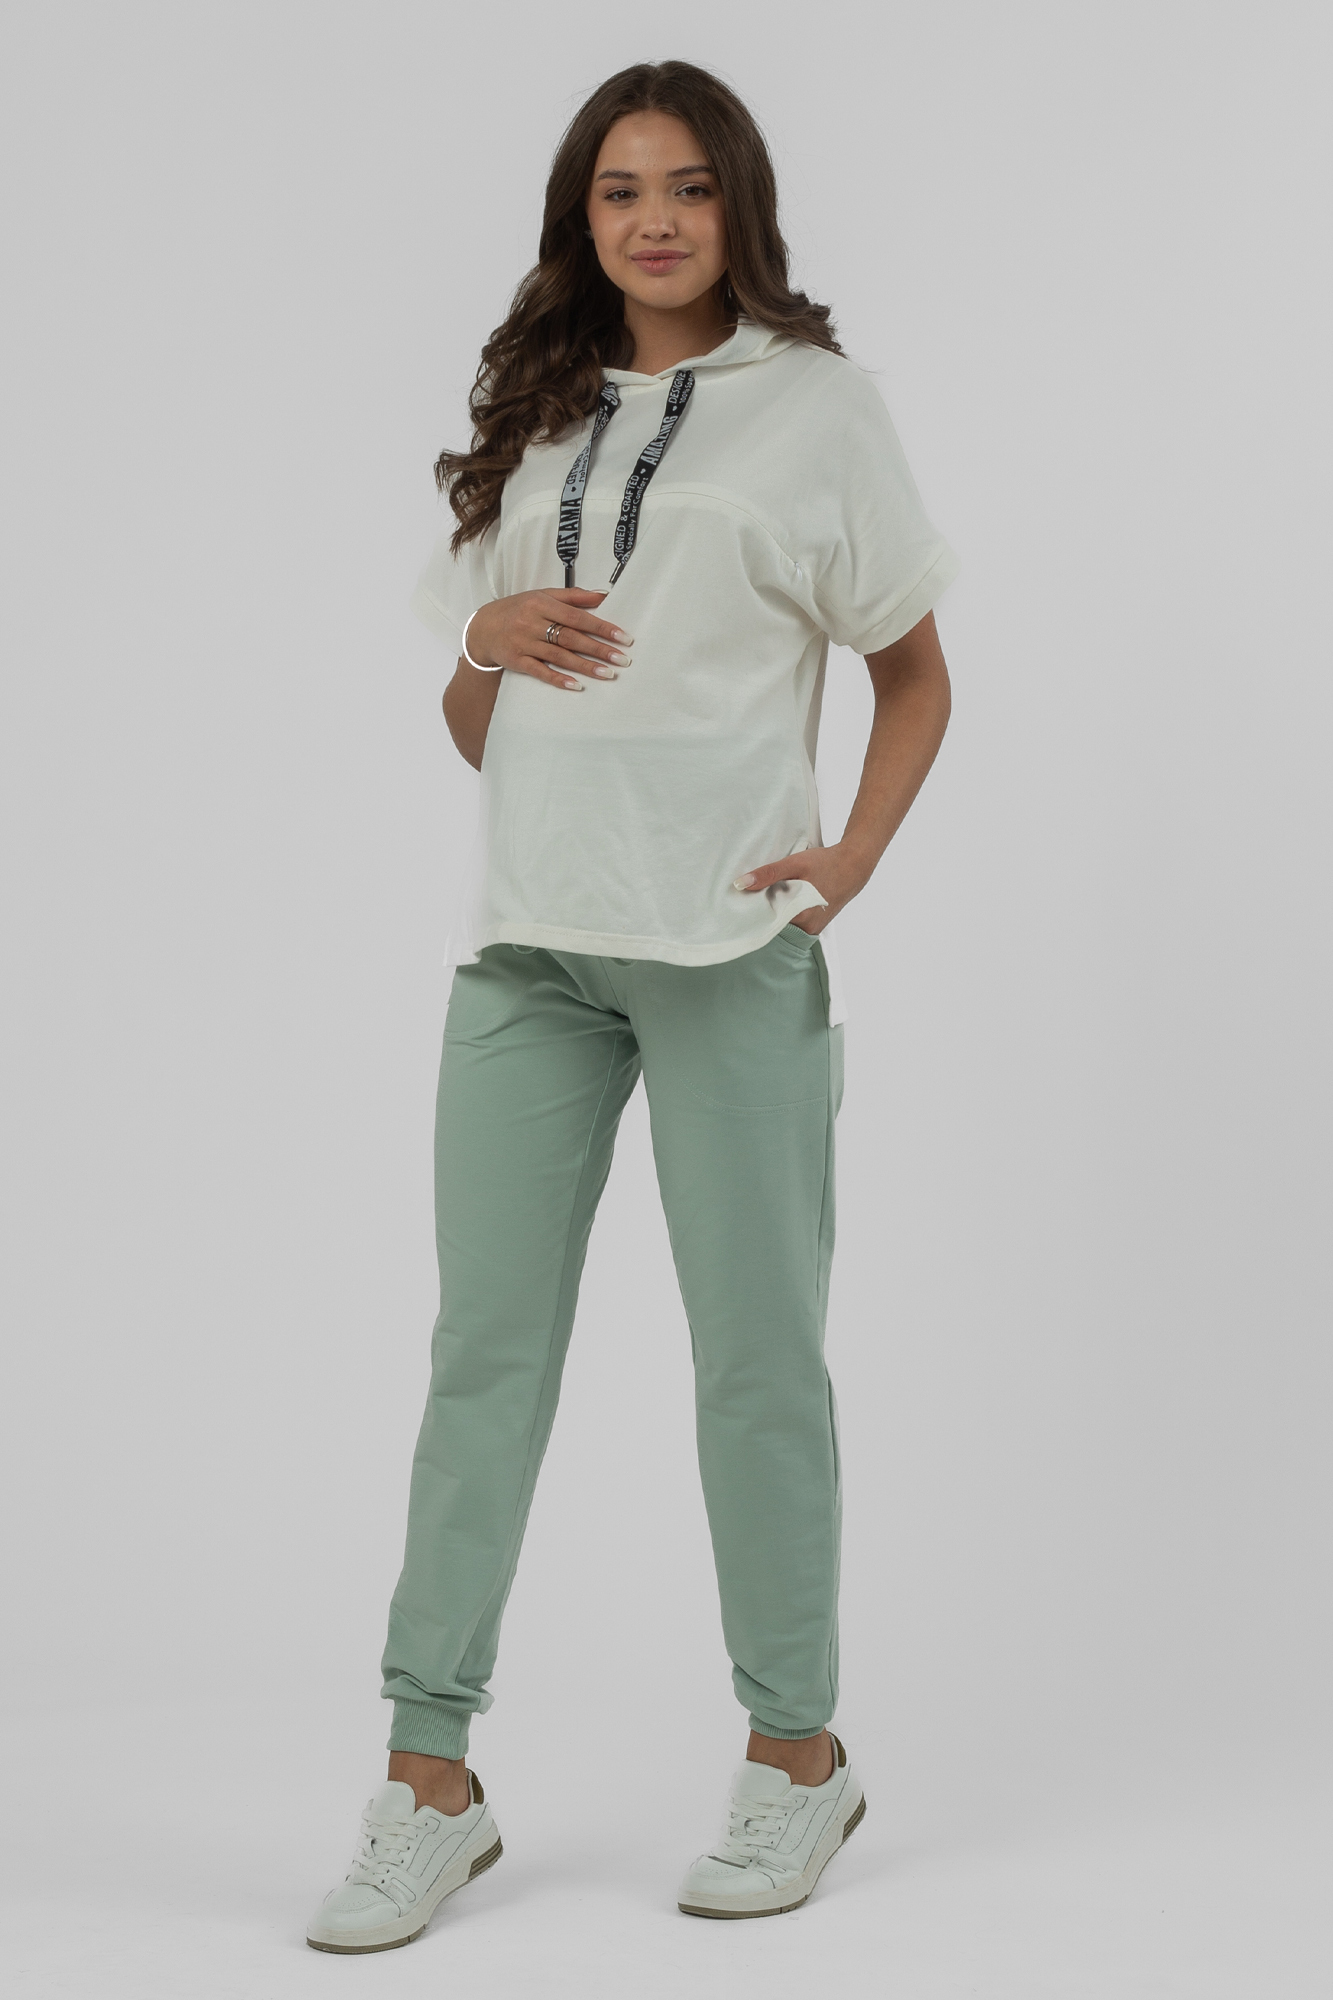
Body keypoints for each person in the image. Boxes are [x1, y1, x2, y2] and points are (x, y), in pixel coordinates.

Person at [307, 58, 956, 1953]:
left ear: (737, 203)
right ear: (577, 219)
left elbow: (913, 669)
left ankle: (796, 1753)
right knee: (482, 1362)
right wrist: (484, 638)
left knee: (757, 1364)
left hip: (729, 953)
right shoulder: (540, 412)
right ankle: (428, 1781)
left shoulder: (819, 410)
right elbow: (481, 728)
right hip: (533, 952)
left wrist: (850, 856)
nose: (653, 220)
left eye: (684, 186)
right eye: (616, 191)